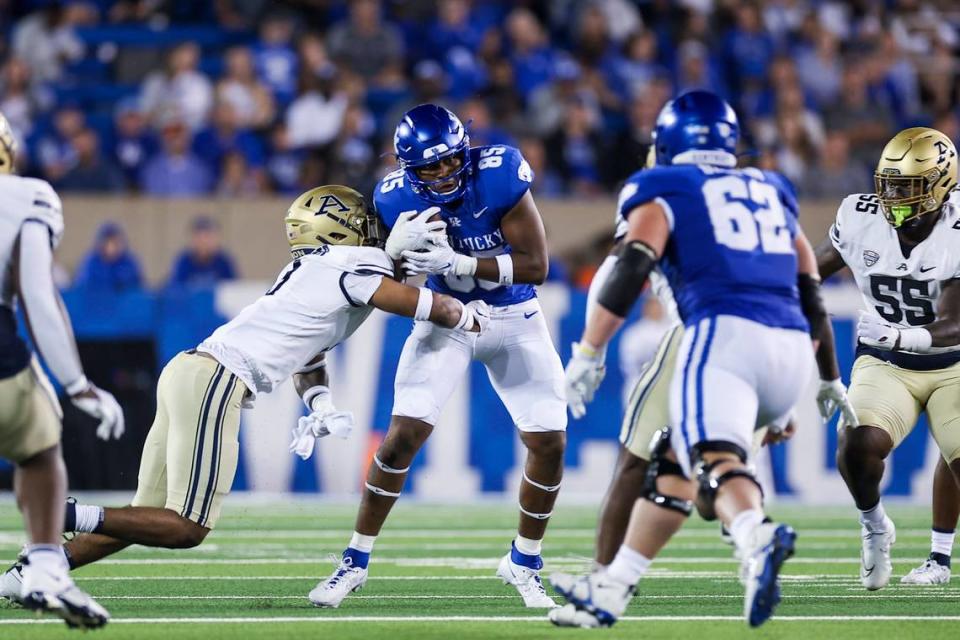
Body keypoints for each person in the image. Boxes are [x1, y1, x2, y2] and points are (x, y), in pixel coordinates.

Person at [0, 185, 486, 591]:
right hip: (216, 380)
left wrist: (319, 402)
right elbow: (423, 306)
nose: (374, 227)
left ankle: (31, 571)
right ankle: (62, 511)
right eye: (365, 221)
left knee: (143, 516)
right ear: (340, 229)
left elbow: (308, 354)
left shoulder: (322, 270)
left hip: (191, 372)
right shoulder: (351, 265)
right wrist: (469, 308)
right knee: (187, 527)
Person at [553, 91, 833, 628]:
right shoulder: (771, 188)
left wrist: (588, 350)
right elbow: (810, 288)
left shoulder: (662, 187)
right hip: (792, 342)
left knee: (707, 464)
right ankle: (611, 588)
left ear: (667, 143)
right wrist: (820, 379)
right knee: (678, 470)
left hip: (720, 336)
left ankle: (756, 535)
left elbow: (632, 266)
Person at [313, 104, 566, 609]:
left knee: (550, 442)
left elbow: (537, 265)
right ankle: (354, 561)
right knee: (403, 436)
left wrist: (461, 261)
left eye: (451, 160)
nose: (446, 172)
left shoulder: (498, 174)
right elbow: (387, 282)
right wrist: (396, 257)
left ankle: (524, 560)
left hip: (513, 315)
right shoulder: (393, 196)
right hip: (446, 317)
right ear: (410, 169)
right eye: (431, 167)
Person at [815, 127, 960, 590]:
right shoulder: (860, 216)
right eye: (889, 183)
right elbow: (812, 269)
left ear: (940, 185)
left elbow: (956, 321)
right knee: (856, 446)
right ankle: (875, 526)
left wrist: (899, 335)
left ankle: (938, 558)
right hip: (885, 362)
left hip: (953, 361)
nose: (893, 195)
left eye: (908, 186)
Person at [0, 111, 123, 628]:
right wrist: (77, 384)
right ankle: (48, 565)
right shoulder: (25, 196)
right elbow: (36, 293)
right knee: (39, 447)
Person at [167, 216, 237, 288]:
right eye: (200, 237)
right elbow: (175, 288)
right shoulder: (184, 260)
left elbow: (234, 289)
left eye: (208, 236)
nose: (204, 241)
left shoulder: (224, 261)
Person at [72, 222, 143, 291]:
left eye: (114, 243)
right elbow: (82, 287)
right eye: (107, 243)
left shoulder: (129, 263)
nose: (111, 248)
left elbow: (138, 287)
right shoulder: (91, 263)